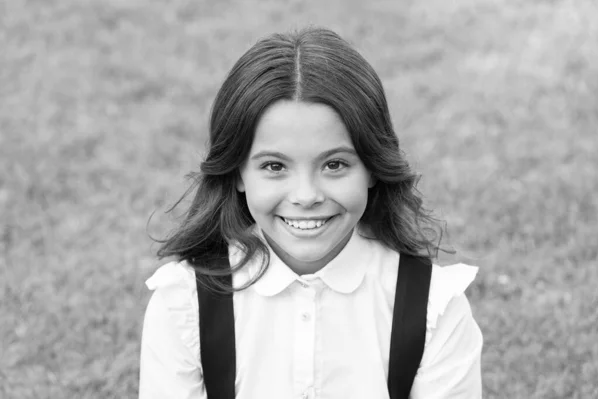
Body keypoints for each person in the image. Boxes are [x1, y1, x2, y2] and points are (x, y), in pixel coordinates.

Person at [139, 27, 482, 399]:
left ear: (372, 167)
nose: (306, 196)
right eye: (274, 167)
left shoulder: (433, 306)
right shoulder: (184, 303)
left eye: (334, 165)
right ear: (237, 173)